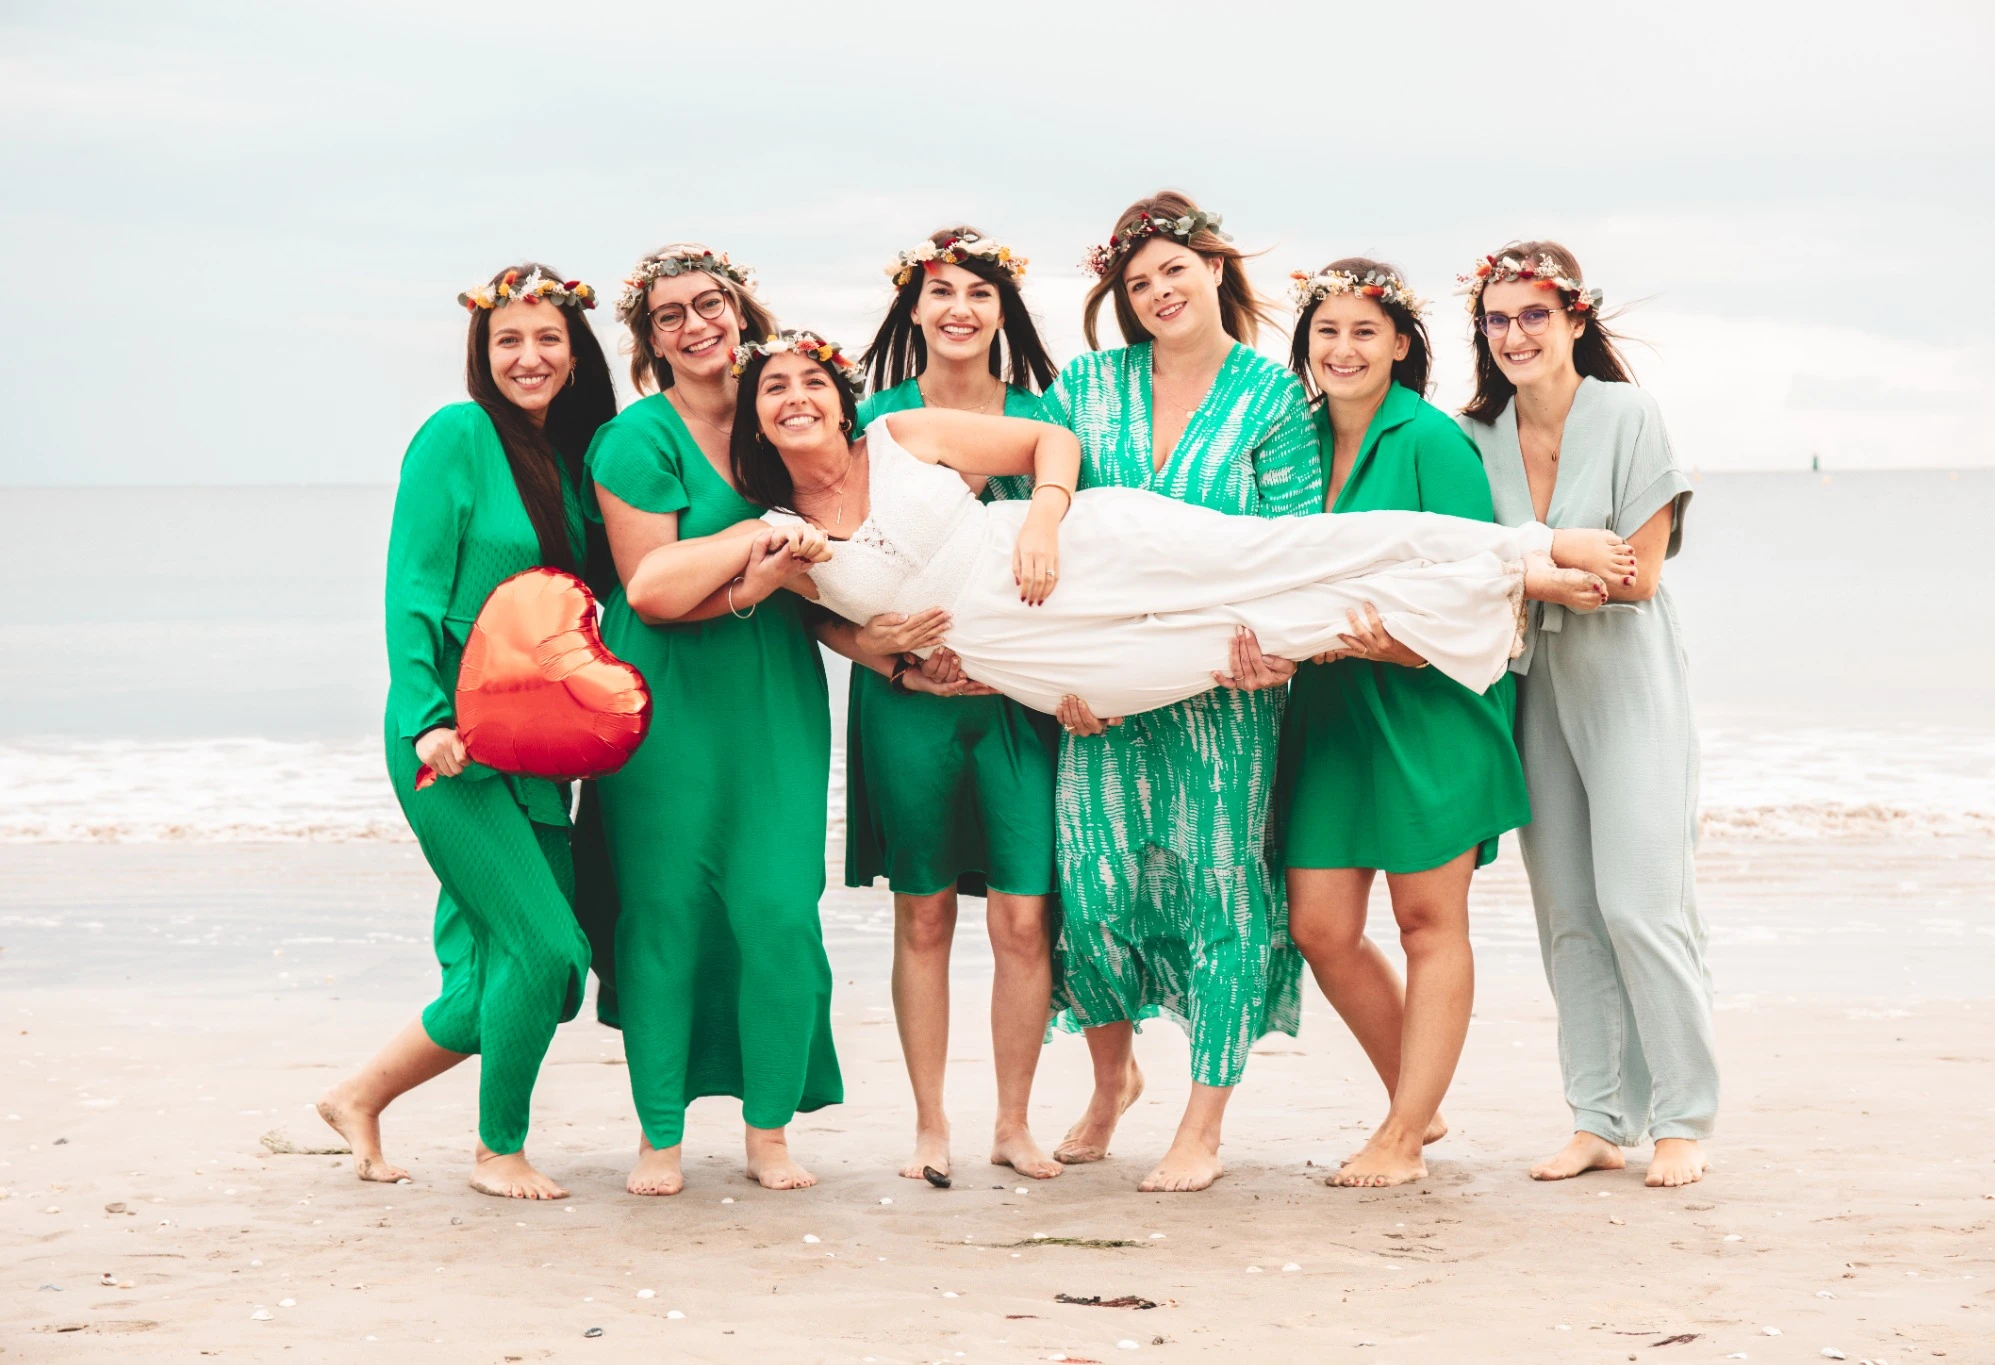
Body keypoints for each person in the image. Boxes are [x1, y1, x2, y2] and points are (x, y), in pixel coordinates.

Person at [665, 314, 1633, 1206]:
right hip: (1037, 663)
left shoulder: (903, 437)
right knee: (1259, 641)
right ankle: (1497, 598)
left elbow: (1051, 445)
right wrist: (892, 660)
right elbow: (785, 620)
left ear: (841, 394)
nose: (794, 398)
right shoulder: (782, 529)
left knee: (1274, 564)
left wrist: (1044, 516)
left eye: (809, 381)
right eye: (771, 389)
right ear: (753, 415)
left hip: (1073, 556)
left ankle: (1526, 557)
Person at [318, 264, 616, 1199]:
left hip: (534, 747)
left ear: (575, 353)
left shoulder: (572, 462)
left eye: (547, 339)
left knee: (532, 974)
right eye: (508, 342)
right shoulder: (457, 435)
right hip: (451, 749)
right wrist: (425, 721)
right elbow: (411, 591)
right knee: (548, 950)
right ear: (483, 356)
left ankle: (357, 1095)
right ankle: (500, 1149)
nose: (528, 358)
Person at [1456, 241, 1718, 1189]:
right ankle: (1598, 1117)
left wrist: (1534, 576)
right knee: (1567, 910)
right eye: (1498, 318)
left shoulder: (1629, 415)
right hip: (1527, 689)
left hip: (1628, 680)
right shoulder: (1471, 436)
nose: (1516, 333)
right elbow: (1473, 573)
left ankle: (1685, 1117)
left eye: (1534, 314)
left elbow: (1637, 578)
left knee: (1643, 905)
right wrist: (1561, 572)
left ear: (1573, 319)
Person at [1275, 260, 1535, 1188]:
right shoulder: (1290, 438)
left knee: (1429, 920)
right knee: (1319, 926)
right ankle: (1413, 1104)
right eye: (1326, 332)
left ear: (1399, 345)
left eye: (1363, 332)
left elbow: (1479, 589)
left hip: (1429, 706)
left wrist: (1392, 646)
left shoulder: (1430, 440)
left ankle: (1401, 1132)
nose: (1342, 350)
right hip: (1332, 710)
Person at [587, 244, 839, 1195]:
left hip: (774, 692)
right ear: (649, 341)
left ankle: (769, 1127)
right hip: (661, 698)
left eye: (711, 305)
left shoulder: (783, 416)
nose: (696, 326)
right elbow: (651, 590)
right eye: (669, 317)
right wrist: (750, 545)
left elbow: (844, 539)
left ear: (743, 311)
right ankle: (659, 1132)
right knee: (665, 912)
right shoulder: (635, 440)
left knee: (777, 909)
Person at [845, 227, 1066, 1184]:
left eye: (980, 293)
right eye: (940, 293)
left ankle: (1014, 1122)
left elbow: (1086, 559)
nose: (959, 310)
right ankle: (930, 1125)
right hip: (909, 700)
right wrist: (885, 661)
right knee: (923, 912)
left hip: (1019, 697)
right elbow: (819, 569)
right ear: (915, 310)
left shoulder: (1043, 419)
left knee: (1024, 917)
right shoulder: (873, 421)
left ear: (1003, 312)